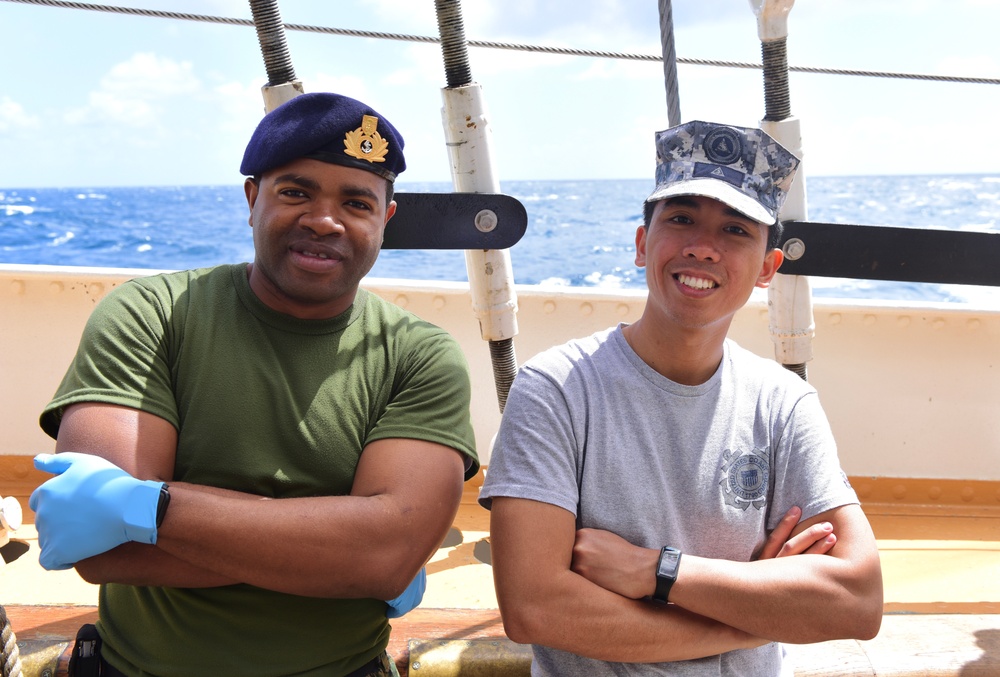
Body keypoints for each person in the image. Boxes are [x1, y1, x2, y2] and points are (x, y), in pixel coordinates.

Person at [29, 91, 479, 677]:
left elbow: (386, 558)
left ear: (384, 219)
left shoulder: (420, 356)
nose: (323, 220)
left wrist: (147, 508)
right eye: (295, 192)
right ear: (251, 198)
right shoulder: (150, 314)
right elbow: (104, 547)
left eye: (356, 202)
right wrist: (344, 551)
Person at [479, 120, 883, 675]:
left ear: (767, 269)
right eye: (682, 219)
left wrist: (659, 573)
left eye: (736, 231)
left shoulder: (784, 404)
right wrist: (763, 611)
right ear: (643, 244)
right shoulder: (556, 390)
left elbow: (858, 602)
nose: (702, 248)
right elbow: (535, 609)